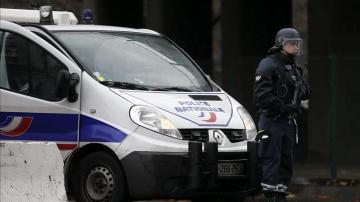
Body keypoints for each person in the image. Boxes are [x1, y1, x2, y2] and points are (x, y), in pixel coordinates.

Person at [253, 28, 310, 202]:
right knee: (271, 160)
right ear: (281, 43)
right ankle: (270, 196)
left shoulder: (293, 66)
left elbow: (304, 92)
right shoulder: (268, 64)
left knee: (286, 163)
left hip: (288, 122)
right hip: (272, 120)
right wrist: (282, 107)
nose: (295, 46)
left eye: (296, 43)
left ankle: (280, 195)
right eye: (291, 43)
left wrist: (302, 91)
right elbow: (261, 95)